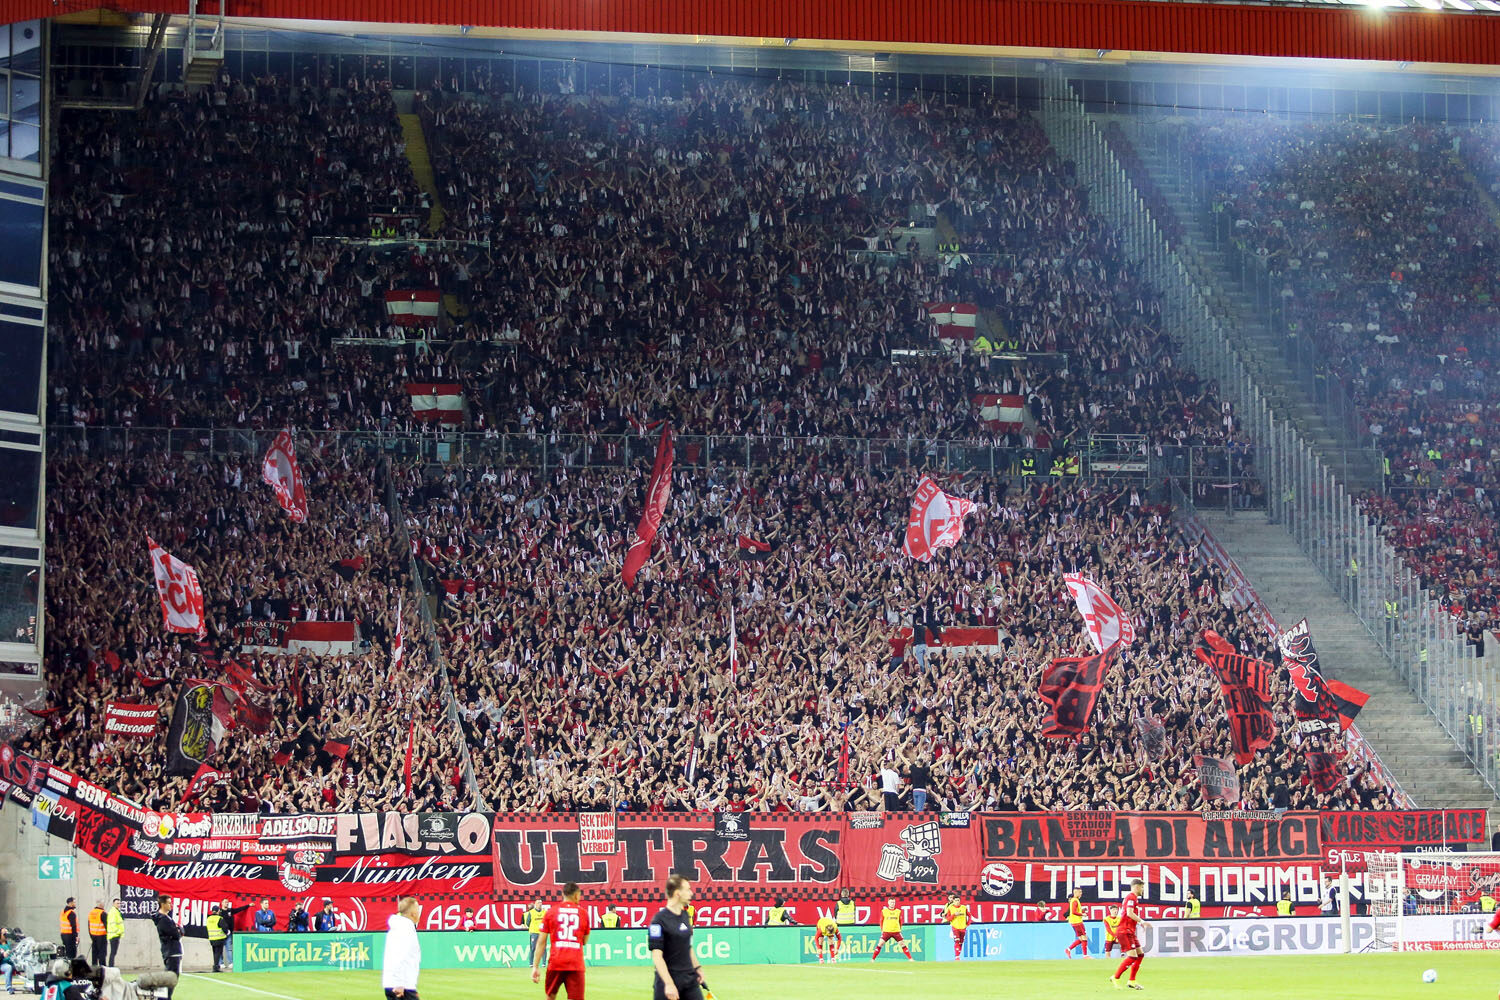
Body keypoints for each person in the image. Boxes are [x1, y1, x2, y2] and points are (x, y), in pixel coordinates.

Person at [649, 875, 705, 1000]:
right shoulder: (658, 920)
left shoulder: (685, 915)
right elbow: (657, 956)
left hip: (689, 980)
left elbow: (688, 947)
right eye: (688, 889)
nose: (691, 893)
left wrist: (698, 968)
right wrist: (669, 984)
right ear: (678, 893)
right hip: (668, 980)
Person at [531, 882, 589, 1000]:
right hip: (575, 963)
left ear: (563, 894)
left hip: (556, 962)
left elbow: (541, 942)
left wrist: (535, 966)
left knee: (550, 996)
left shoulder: (551, 912)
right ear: (577, 895)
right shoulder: (583, 913)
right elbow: (584, 941)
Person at [1111, 879, 1149, 990]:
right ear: (1137, 887)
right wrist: (1142, 921)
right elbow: (1129, 913)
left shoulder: (1132, 898)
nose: (1143, 890)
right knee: (1132, 956)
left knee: (1140, 955)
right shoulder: (1131, 897)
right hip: (1124, 931)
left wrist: (1138, 923)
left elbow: (1130, 914)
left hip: (1129, 931)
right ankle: (1116, 977)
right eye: (1142, 887)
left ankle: (1132, 981)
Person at [382, 896, 422, 1000]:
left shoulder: (398, 926)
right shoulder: (405, 929)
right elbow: (399, 955)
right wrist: (399, 983)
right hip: (402, 986)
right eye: (417, 909)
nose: (419, 912)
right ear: (413, 913)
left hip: (396, 983)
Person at [150, 896, 182, 999]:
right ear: (163, 904)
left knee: (171, 977)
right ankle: (163, 998)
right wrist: (179, 930)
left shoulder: (166, 918)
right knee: (171, 978)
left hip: (172, 951)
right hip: (171, 951)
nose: (171, 905)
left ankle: (165, 997)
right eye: (169, 903)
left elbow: (177, 932)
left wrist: (178, 930)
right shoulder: (163, 920)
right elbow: (176, 934)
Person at [942, 892, 969, 960]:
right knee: (957, 940)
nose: (957, 901)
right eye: (950, 897)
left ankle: (958, 954)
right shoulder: (949, 907)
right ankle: (957, 957)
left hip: (962, 926)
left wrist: (968, 923)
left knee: (961, 942)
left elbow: (969, 915)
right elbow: (946, 916)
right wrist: (953, 915)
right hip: (954, 926)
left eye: (958, 900)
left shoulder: (963, 907)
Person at [1064, 887, 1088, 957]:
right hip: (1077, 922)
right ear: (1075, 892)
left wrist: (1082, 911)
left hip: (1074, 922)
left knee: (1081, 939)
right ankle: (1085, 955)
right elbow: (1074, 912)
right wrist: (1082, 914)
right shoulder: (1075, 900)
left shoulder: (1075, 900)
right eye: (1079, 892)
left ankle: (1068, 949)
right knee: (1084, 937)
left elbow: (1075, 911)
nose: (1081, 893)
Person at [206, 905, 228, 973]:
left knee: (215, 953)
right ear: (218, 911)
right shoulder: (219, 918)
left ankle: (215, 966)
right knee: (218, 953)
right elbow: (225, 928)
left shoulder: (208, 918)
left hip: (212, 938)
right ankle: (216, 967)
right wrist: (227, 933)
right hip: (219, 938)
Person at [525, 899, 548, 966]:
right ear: (535, 904)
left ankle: (543, 963)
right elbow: (527, 922)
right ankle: (531, 963)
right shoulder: (531, 912)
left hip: (542, 933)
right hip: (534, 932)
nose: (540, 904)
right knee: (533, 948)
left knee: (543, 948)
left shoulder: (544, 912)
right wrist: (533, 928)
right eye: (538, 903)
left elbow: (547, 922)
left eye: (541, 903)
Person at [86, 903, 106, 969]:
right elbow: (107, 925)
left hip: (93, 936)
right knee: (102, 953)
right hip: (101, 935)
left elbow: (89, 925)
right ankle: (102, 968)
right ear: (101, 906)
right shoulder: (103, 913)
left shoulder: (91, 913)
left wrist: (91, 935)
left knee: (94, 953)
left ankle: (94, 968)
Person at [106, 900, 124, 966]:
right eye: (117, 903)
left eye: (119, 903)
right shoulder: (113, 912)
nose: (119, 905)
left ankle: (111, 966)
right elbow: (112, 924)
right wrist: (118, 931)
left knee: (114, 952)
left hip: (115, 935)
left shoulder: (116, 911)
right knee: (113, 952)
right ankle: (111, 966)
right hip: (114, 935)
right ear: (113, 904)